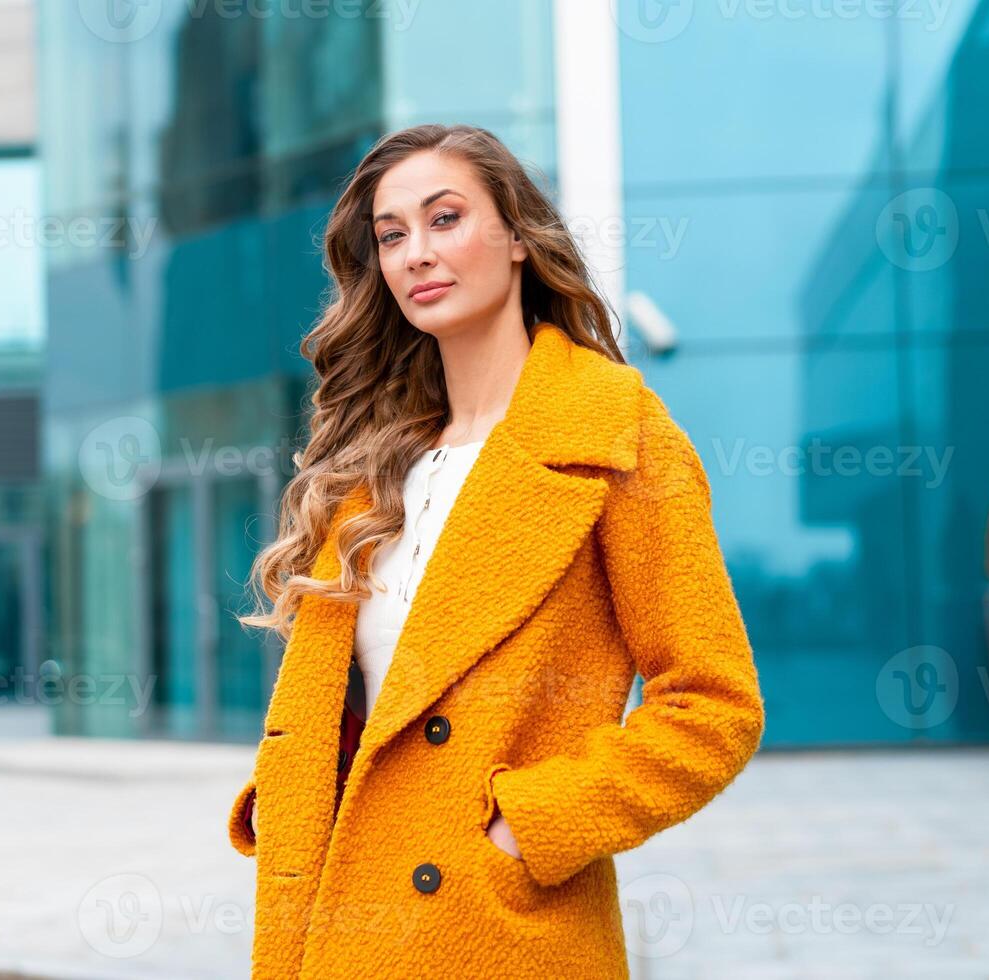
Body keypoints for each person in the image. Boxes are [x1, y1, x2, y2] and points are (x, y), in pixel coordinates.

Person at [227, 123, 765, 979]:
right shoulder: (374, 463)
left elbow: (713, 705)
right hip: (342, 913)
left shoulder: (611, 432)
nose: (416, 254)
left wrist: (530, 827)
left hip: (495, 930)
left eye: (445, 219)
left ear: (517, 235)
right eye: (392, 235)